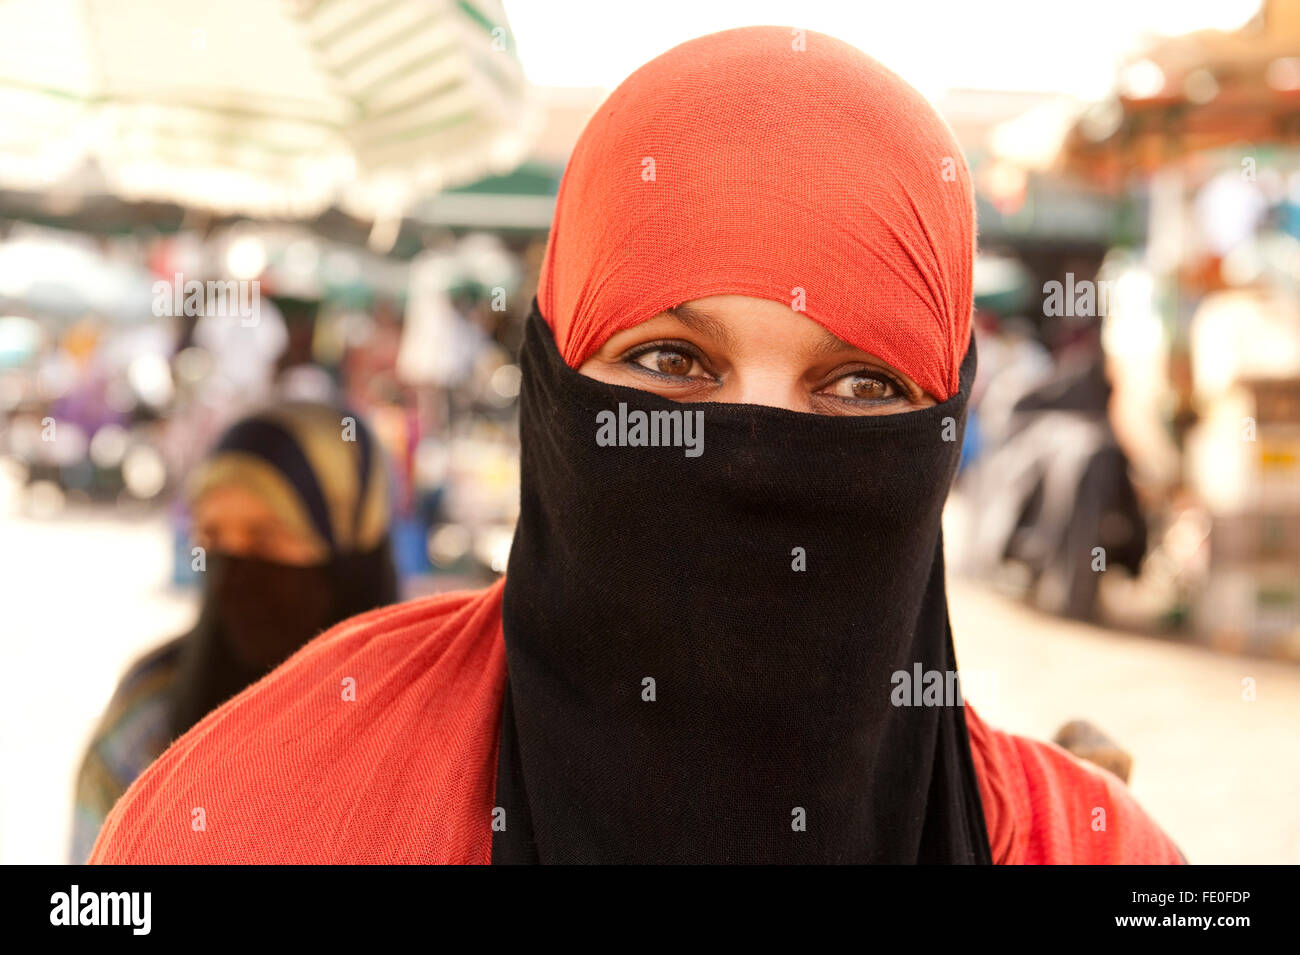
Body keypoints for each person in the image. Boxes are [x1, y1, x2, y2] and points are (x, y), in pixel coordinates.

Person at [90, 27, 1183, 864]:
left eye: (859, 382)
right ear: (552, 386)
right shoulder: (265, 813)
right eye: (671, 363)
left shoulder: (1083, 846)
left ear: (942, 428)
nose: (753, 449)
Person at [71, 401, 397, 862]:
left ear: (351, 551)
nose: (233, 573)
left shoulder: (434, 719)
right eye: (213, 539)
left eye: (265, 538)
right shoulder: (147, 718)